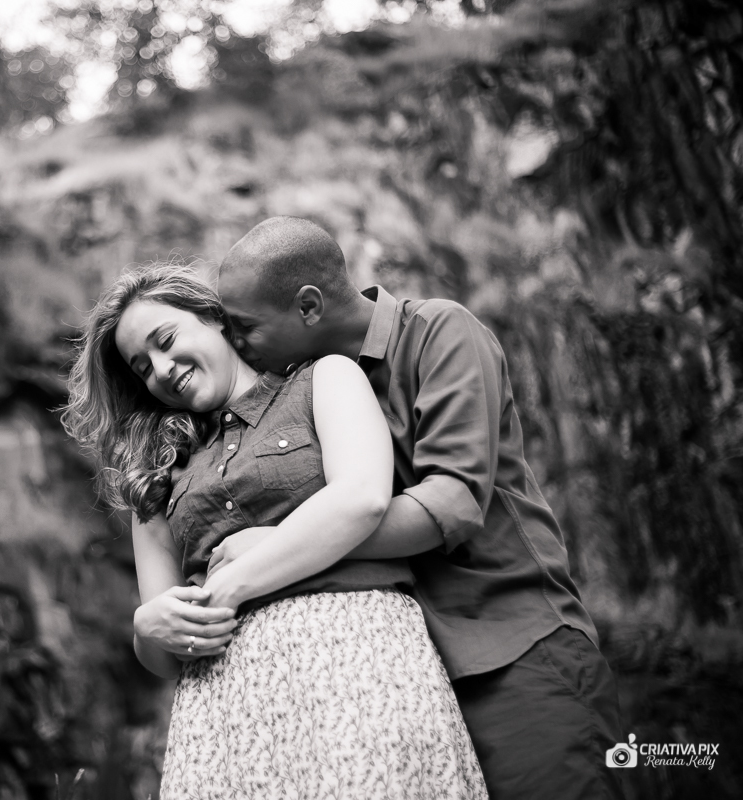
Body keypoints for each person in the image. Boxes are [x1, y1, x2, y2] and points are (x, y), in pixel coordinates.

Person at [210, 216, 625, 800]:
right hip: (404, 679)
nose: (235, 344)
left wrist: (279, 545)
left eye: (245, 327)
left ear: (307, 307)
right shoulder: (301, 395)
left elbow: (451, 502)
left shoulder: (439, 332)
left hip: (514, 648)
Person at [62, 261, 487, 800]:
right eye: (142, 368)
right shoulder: (155, 475)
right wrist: (147, 630)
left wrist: (231, 584)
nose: (162, 370)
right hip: (225, 710)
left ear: (214, 318)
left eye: (166, 341)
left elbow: (362, 497)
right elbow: (167, 649)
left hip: (356, 664)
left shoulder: (324, 379)